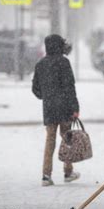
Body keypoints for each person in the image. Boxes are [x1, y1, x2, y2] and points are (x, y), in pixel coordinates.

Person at [32, 34, 80, 186]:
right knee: (67, 140)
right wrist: (75, 108)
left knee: (50, 141)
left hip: (49, 108)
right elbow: (70, 87)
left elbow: (35, 89)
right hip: (65, 107)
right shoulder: (64, 62)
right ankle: (68, 171)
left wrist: (46, 96)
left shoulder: (40, 64)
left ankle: (46, 175)